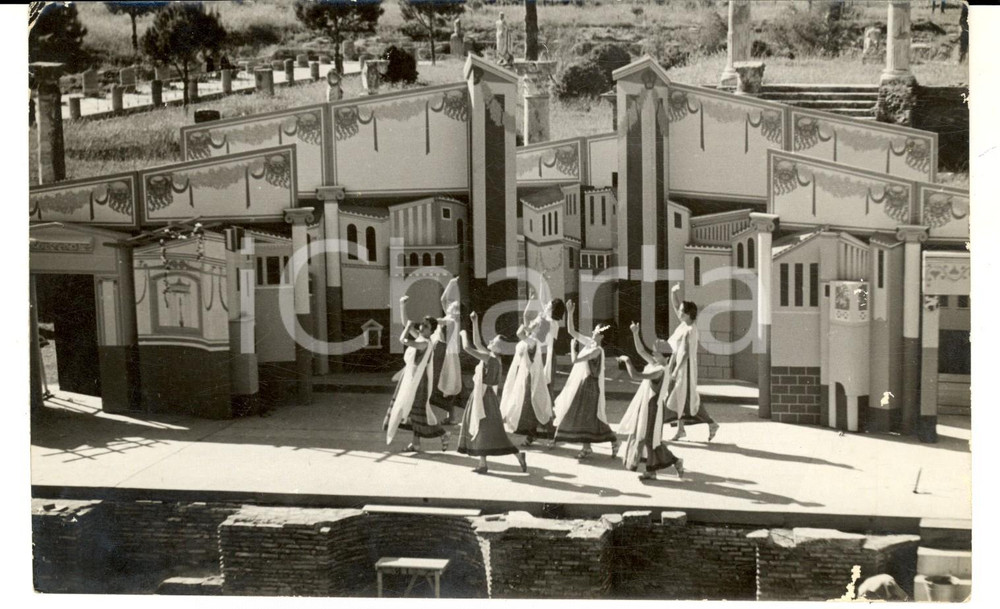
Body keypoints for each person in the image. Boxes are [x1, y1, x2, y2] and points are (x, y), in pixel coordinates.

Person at [456, 314, 528, 475]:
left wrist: (462, 333)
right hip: (485, 396)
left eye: (493, 342)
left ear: (499, 348)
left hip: (484, 397)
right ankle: (483, 464)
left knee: (488, 430)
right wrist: (474, 322)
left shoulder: (490, 359)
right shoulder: (493, 357)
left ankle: (515, 455)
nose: (490, 342)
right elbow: (476, 343)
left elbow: (467, 347)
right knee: (486, 430)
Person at [552, 300, 620, 459]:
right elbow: (572, 331)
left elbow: (575, 361)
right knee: (585, 416)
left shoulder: (596, 350)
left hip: (591, 386)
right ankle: (588, 445)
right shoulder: (590, 344)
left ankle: (610, 441)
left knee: (589, 416)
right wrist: (570, 312)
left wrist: (571, 348)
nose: (593, 331)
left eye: (596, 330)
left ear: (601, 335)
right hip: (585, 384)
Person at [617, 322, 685, 480]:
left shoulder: (659, 371)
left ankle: (675, 461)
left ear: (663, 355)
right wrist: (635, 333)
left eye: (655, 352)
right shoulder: (657, 364)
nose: (653, 354)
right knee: (647, 439)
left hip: (653, 408)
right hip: (648, 406)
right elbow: (641, 350)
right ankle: (651, 470)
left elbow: (635, 376)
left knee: (651, 440)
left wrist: (627, 361)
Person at [385, 296, 451, 453]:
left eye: (425, 326)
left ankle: (443, 434)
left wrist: (408, 328)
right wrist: (402, 305)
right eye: (422, 324)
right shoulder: (422, 338)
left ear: (431, 330)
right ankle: (416, 444)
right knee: (412, 412)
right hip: (412, 378)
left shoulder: (423, 343)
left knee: (418, 412)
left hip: (419, 381)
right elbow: (404, 322)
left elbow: (403, 340)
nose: (421, 327)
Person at [500, 292, 563, 446]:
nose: (546, 305)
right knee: (529, 397)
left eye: (549, 304)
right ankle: (532, 433)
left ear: (553, 309)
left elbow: (537, 339)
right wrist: (531, 301)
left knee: (542, 397)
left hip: (540, 360)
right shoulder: (544, 320)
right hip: (532, 358)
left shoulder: (549, 323)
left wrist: (532, 329)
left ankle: (552, 435)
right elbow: (527, 322)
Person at [664, 284, 720, 442]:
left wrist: (675, 370)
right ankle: (681, 429)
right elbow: (676, 305)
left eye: (682, 311)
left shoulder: (691, 330)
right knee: (676, 398)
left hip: (686, 368)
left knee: (688, 399)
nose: (679, 312)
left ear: (688, 314)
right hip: (678, 366)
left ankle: (711, 423)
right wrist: (673, 292)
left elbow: (686, 353)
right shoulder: (684, 324)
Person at [431, 277, 463, 424]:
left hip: (446, 354)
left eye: (455, 307)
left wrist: (430, 320)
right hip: (441, 350)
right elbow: (443, 299)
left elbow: (436, 321)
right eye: (452, 306)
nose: (451, 306)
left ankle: (451, 415)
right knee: (443, 382)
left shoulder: (451, 320)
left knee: (444, 382)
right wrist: (451, 284)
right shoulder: (448, 316)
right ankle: (451, 416)